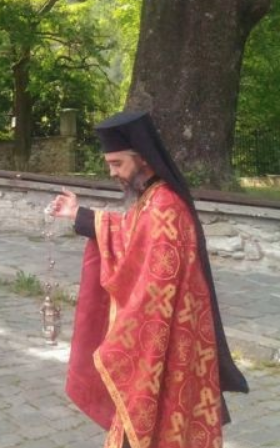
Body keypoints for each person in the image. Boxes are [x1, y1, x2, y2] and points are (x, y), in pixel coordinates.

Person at [48, 110, 247, 448]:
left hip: (166, 340)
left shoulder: (166, 205)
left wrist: (122, 342)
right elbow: (131, 236)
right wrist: (78, 215)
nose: (112, 172)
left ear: (141, 159)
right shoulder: (153, 199)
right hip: (164, 335)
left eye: (117, 164)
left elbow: (154, 285)